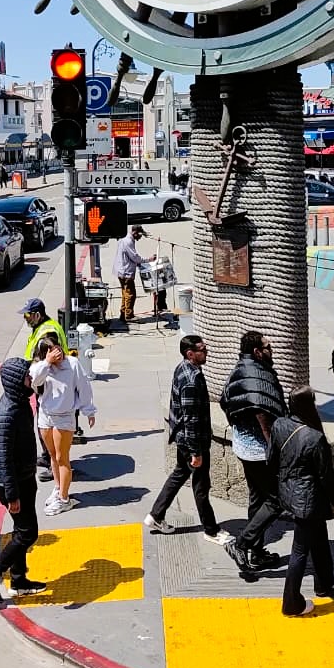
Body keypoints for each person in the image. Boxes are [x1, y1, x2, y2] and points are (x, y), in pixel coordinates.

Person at [145, 335, 230, 546]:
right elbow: (191, 418)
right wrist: (196, 452)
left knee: (179, 474)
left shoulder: (183, 368)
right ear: (190, 353)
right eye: (202, 349)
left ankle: (156, 515)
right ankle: (211, 530)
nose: (206, 351)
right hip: (193, 441)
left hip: (183, 438)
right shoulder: (192, 380)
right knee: (201, 487)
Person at [269, 387, 334, 617]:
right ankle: (291, 602)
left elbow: (271, 458)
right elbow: (326, 475)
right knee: (300, 550)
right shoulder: (315, 437)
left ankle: (325, 581)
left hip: (291, 494)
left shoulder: (279, 424)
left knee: (319, 537)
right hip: (309, 500)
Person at [0, 357, 48, 604]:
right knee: (28, 534)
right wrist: (12, 495)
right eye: (27, 377)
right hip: (14, 484)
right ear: (16, 381)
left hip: (25, 477)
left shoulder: (20, 402)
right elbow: (3, 460)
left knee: (22, 531)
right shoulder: (4, 416)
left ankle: (19, 580)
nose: (31, 380)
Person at [222, 331, 289, 574]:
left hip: (244, 447)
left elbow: (226, 400)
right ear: (258, 351)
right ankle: (242, 544)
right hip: (259, 452)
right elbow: (262, 414)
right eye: (268, 347)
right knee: (276, 500)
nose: (272, 351)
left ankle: (257, 553)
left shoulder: (241, 368)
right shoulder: (257, 373)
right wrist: (276, 451)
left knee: (257, 499)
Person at [31, 334, 96, 516]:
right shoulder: (40, 367)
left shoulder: (72, 364)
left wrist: (88, 410)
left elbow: (84, 387)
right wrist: (47, 363)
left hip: (64, 417)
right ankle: (59, 488)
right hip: (45, 416)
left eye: (56, 349)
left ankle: (64, 498)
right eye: (50, 351)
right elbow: (35, 381)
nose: (56, 354)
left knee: (62, 458)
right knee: (52, 455)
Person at [20, 298, 69, 479]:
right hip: (44, 382)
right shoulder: (41, 328)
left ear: (37, 315)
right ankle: (47, 455)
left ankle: (52, 462)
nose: (25, 318)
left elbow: (47, 358)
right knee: (43, 424)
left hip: (49, 385)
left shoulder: (47, 332)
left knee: (46, 426)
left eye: (27, 315)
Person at [113, 225, 153, 324]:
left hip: (121, 270)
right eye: (139, 235)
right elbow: (134, 257)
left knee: (125, 294)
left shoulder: (125, 238)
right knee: (131, 294)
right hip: (125, 272)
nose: (140, 238)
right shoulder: (128, 241)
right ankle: (129, 315)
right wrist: (148, 260)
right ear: (135, 233)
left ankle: (123, 314)